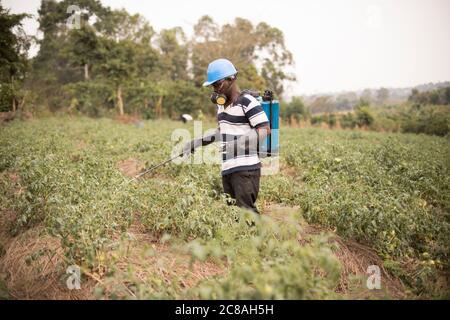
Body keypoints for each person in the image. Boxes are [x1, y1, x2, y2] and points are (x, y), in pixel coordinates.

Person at [183, 58, 271, 213]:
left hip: (246, 169)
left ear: (232, 79)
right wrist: (196, 142)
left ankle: (263, 237)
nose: (215, 90)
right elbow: (220, 131)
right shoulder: (221, 106)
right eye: (213, 86)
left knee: (246, 214)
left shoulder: (247, 102)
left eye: (218, 84)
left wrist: (238, 144)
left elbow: (264, 129)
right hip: (228, 169)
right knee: (233, 215)